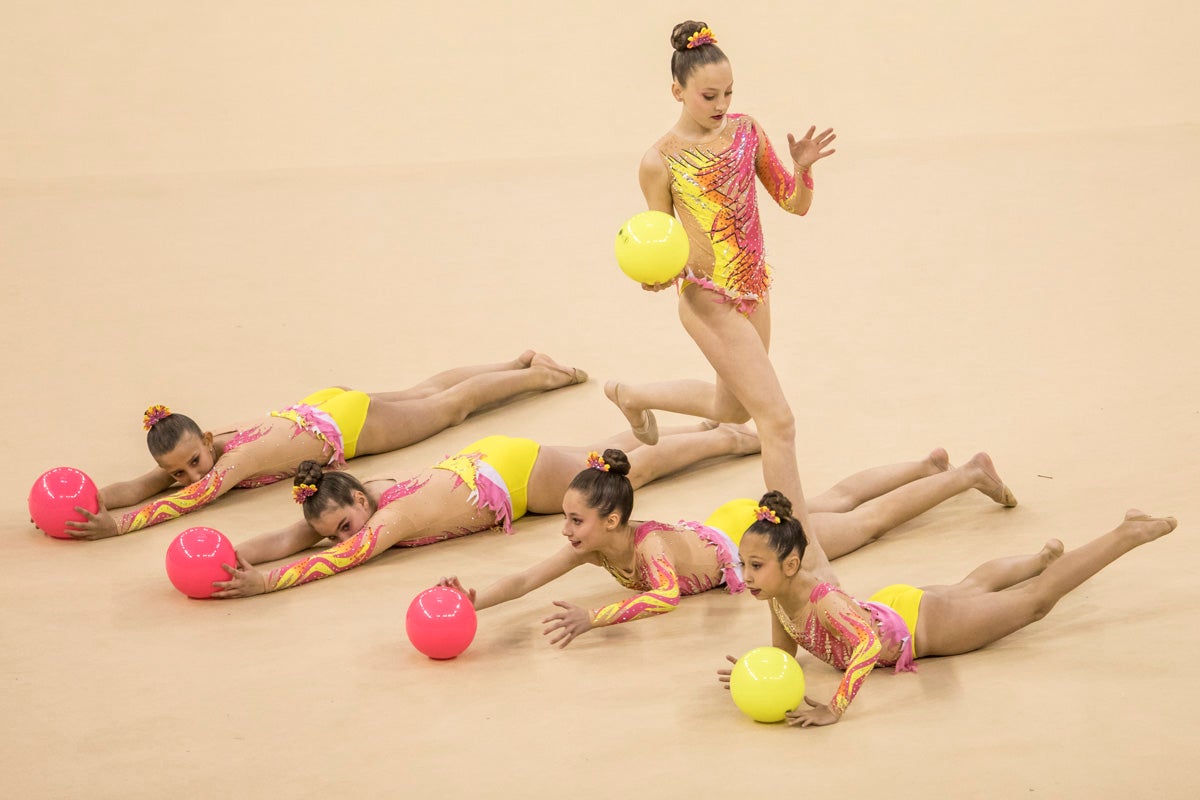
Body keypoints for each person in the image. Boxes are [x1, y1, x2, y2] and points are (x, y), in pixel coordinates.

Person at [604, 20, 837, 578]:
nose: (721, 104)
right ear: (678, 90)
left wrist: (803, 169)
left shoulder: (747, 132)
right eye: (709, 95)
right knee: (777, 422)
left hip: (754, 287)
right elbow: (662, 240)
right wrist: (656, 276)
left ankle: (632, 394)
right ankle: (804, 553)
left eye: (729, 93)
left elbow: (795, 203)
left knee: (732, 410)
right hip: (707, 298)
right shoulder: (659, 160)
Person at [441, 447, 1018, 648]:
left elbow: (664, 596)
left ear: (612, 520)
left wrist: (593, 618)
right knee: (835, 501)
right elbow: (525, 579)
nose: (565, 531)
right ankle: (926, 466)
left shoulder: (650, 547)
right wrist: (473, 601)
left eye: (574, 520)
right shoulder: (592, 546)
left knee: (860, 522)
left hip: (746, 540)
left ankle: (966, 474)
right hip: (728, 528)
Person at [718, 491, 1177, 728]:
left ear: (791, 565)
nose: (747, 576)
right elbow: (785, 653)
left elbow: (867, 645)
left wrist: (836, 708)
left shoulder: (822, 602)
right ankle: (1039, 559)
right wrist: (759, 672)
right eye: (744, 564)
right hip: (892, 605)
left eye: (756, 566)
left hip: (921, 626)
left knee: (1033, 603)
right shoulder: (777, 596)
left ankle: (1127, 533)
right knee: (972, 587)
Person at [59, 351, 586, 539]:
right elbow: (147, 482)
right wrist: (91, 503)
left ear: (208, 440)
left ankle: (544, 376)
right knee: (423, 391)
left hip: (347, 426)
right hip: (319, 407)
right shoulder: (203, 445)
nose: (193, 476)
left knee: (450, 407)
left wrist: (118, 527)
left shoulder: (233, 460)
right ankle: (515, 362)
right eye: (180, 472)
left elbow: (194, 498)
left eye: (196, 462)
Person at [209, 423, 760, 597]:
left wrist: (266, 584)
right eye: (334, 533)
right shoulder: (364, 493)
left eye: (345, 528)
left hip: (511, 479)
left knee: (632, 473)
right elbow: (298, 535)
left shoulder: (389, 519)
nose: (343, 539)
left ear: (359, 504)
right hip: (488, 460)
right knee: (602, 461)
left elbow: (341, 559)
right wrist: (230, 557)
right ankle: (703, 428)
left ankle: (728, 438)